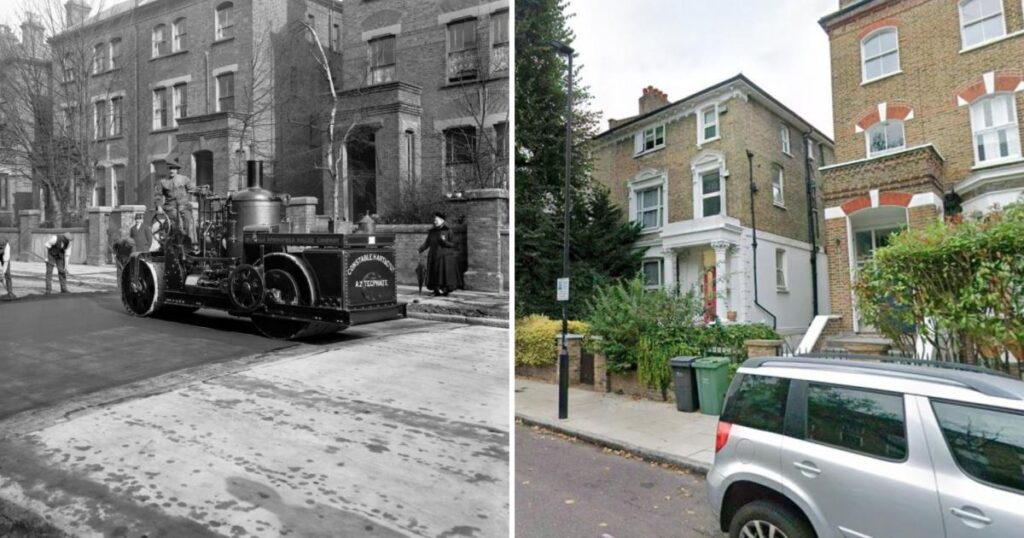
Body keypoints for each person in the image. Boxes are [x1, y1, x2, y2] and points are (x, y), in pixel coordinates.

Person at [418, 212, 462, 296]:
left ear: (442, 220)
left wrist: (444, 241)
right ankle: (436, 290)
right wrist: (420, 250)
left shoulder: (448, 230)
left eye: (436, 220)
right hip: (434, 256)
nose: (434, 221)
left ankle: (445, 290)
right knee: (435, 273)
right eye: (434, 220)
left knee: (444, 274)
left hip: (445, 257)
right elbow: (427, 243)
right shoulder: (432, 232)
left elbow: (454, 245)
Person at [158, 156, 195, 243]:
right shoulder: (163, 182)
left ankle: (192, 244)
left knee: (189, 221)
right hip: (171, 207)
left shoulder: (184, 179)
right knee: (179, 222)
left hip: (184, 206)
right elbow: (158, 195)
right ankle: (180, 243)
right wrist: (159, 206)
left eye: (174, 169)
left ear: (177, 170)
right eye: (170, 168)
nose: (172, 171)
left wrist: (201, 191)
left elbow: (192, 189)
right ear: (167, 169)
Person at [0, 236, 15, 300]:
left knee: (7, 273)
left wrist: (2, 274)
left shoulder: (7, 248)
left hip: (4, 256)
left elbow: (5, 262)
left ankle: (10, 292)